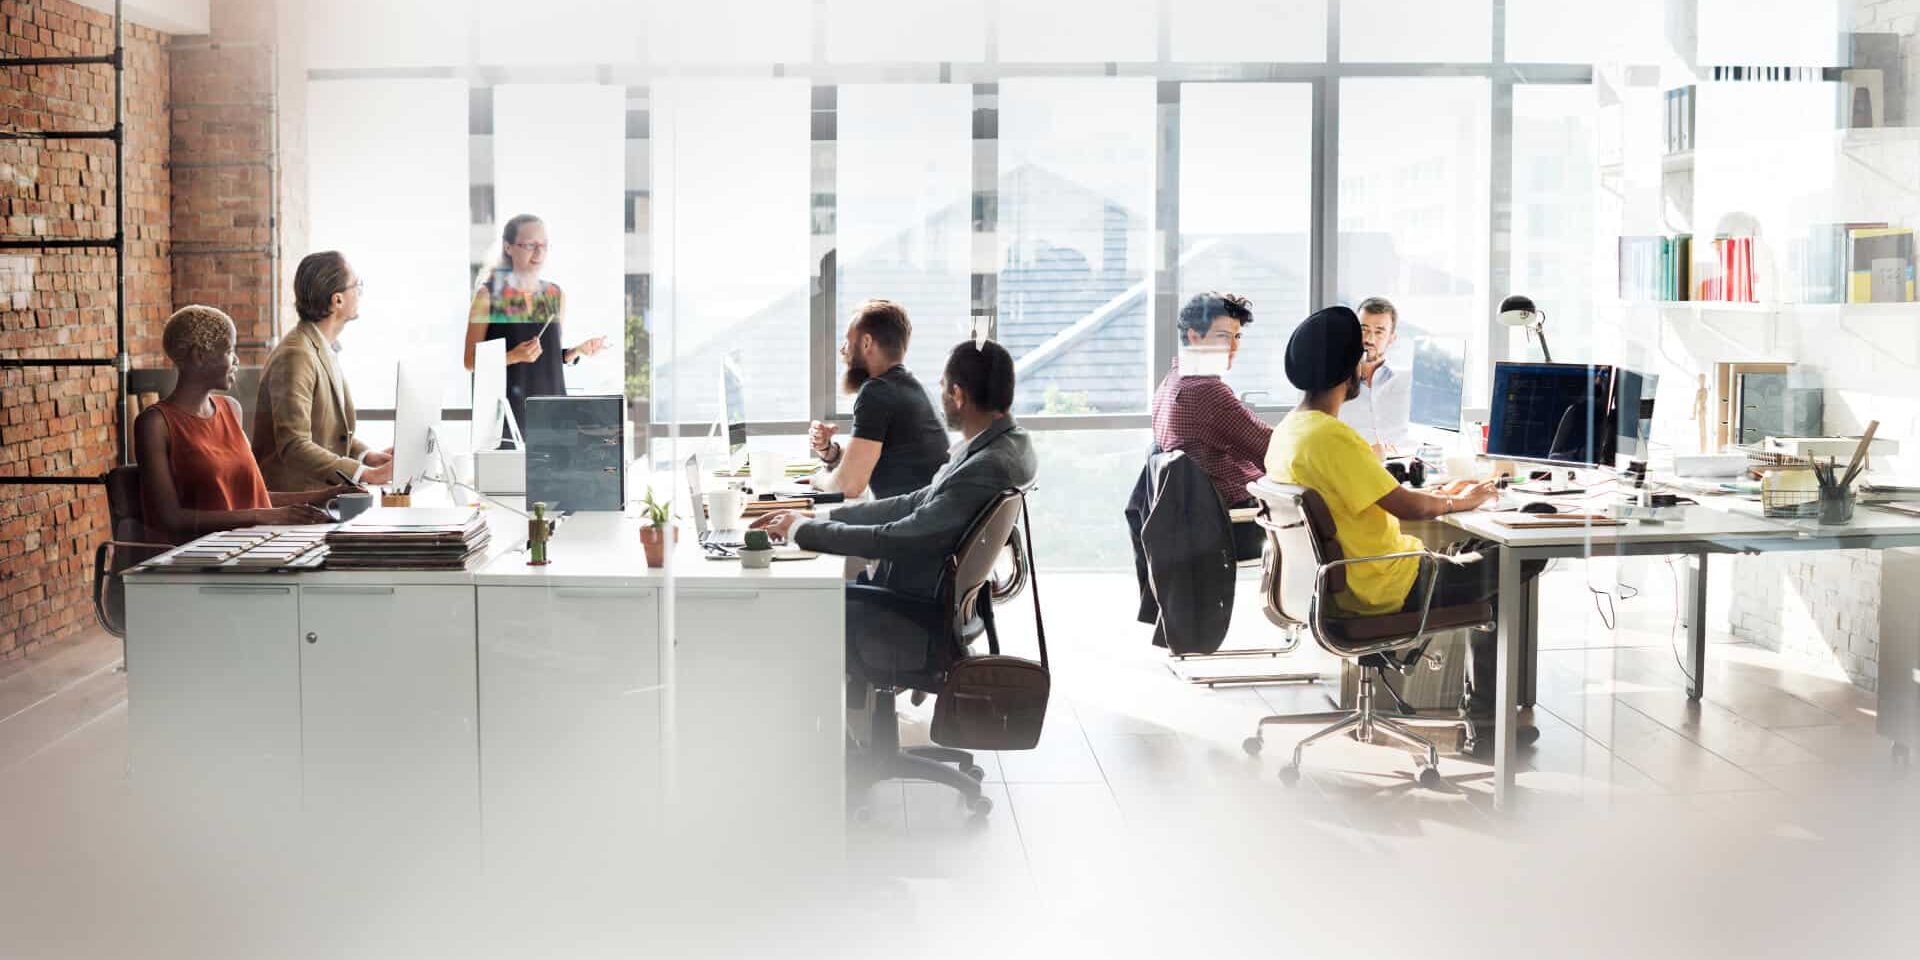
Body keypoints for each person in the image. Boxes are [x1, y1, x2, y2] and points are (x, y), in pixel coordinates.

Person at [1264, 305, 1537, 749]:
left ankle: (1486, 713)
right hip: (1388, 586)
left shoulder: (1291, 431)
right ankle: (1488, 724)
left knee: (1475, 547)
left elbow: (1377, 493)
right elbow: (1406, 505)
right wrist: (1460, 499)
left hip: (1345, 583)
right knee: (1519, 552)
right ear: (1348, 368)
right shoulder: (1331, 437)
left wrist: (1450, 495)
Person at [754, 338, 1036, 605]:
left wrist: (800, 530)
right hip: (931, 595)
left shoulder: (985, 467)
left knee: (795, 600)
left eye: (943, 387)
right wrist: (819, 517)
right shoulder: (1009, 442)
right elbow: (913, 502)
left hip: (915, 608)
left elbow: (897, 538)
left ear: (958, 394)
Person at [139, 306, 352, 544]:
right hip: (193, 559)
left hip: (245, 546)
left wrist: (326, 496)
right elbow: (170, 518)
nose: (236, 360)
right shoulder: (156, 423)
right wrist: (267, 517)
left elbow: (253, 497)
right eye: (229, 350)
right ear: (199, 356)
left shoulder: (231, 409)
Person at [463, 214, 610, 445]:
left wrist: (575, 352)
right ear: (508, 247)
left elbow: (547, 356)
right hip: (508, 419)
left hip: (554, 416)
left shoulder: (554, 294)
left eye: (544, 245)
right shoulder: (489, 296)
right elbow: (470, 361)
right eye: (530, 245)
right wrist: (513, 356)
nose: (539, 252)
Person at [254, 252, 394, 490]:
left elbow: (326, 432)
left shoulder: (321, 347)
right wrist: (366, 475)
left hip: (320, 497)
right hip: (296, 503)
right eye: (356, 285)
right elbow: (294, 445)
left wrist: (366, 457)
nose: (360, 293)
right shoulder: (296, 354)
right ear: (337, 300)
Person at [1151, 291, 1271, 558]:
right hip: (1234, 524)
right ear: (1194, 336)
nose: (1234, 347)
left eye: (1237, 336)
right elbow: (1271, 449)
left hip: (1196, 522)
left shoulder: (1172, 382)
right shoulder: (1205, 391)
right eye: (1223, 336)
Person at [807, 299, 951, 500]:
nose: (843, 350)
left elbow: (848, 486)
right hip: (926, 516)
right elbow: (871, 454)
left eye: (848, 341)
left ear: (866, 343)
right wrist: (830, 451)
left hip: (910, 523)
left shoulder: (877, 391)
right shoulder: (909, 386)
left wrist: (817, 480)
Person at [1337, 296, 1413, 455]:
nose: (1369, 339)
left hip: (1401, 464)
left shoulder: (1407, 382)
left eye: (1379, 332)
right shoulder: (1333, 383)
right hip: (1352, 463)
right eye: (1363, 329)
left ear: (1392, 338)